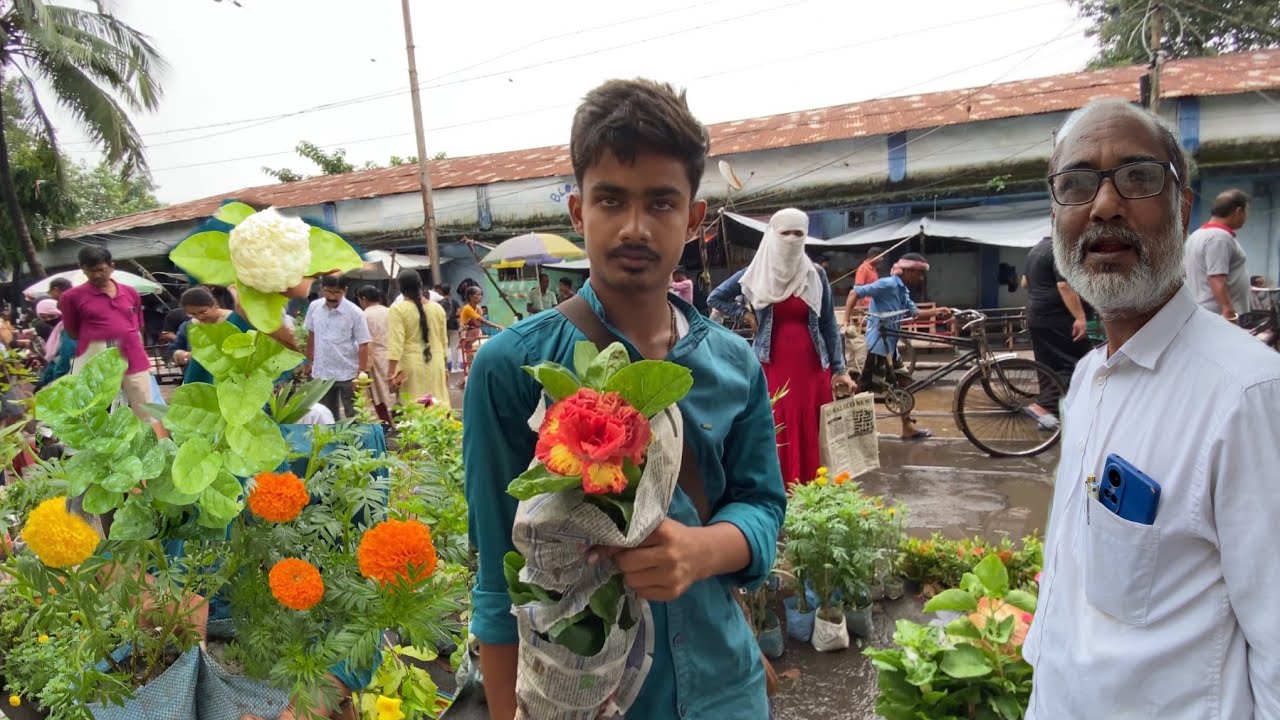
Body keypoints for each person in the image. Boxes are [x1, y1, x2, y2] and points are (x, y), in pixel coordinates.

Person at [464, 78, 786, 720]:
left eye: (661, 203)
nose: (635, 227)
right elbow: (499, 585)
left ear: (694, 219)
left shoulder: (731, 364)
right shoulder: (511, 369)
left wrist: (702, 551)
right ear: (579, 209)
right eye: (611, 200)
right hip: (587, 702)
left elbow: (762, 506)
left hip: (726, 690)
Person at [1023, 99, 1280, 720]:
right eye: (1076, 185)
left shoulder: (1248, 396)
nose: (1104, 205)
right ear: (1057, 214)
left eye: (1137, 178)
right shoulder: (1087, 380)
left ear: (1184, 207)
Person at [708, 207, 855, 487]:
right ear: (772, 234)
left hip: (812, 367)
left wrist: (840, 369)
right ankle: (774, 489)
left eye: (798, 233)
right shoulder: (755, 272)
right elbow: (716, 298)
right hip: (770, 363)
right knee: (774, 423)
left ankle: (814, 490)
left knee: (811, 426)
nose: (791, 239)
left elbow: (828, 326)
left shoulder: (815, 275)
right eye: (784, 232)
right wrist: (745, 315)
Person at [851, 252, 951, 440]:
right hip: (877, 345)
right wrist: (846, 320)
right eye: (917, 273)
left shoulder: (903, 290)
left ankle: (907, 428)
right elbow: (855, 292)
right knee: (862, 387)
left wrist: (937, 311)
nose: (920, 278)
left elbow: (914, 313)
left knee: (904, 384)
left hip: (891, 346)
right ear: (905, 271)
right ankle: (843, 424)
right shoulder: (888, 284)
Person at [57, 246, 154, 420]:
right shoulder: (71, 297)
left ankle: (151, 444)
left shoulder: (130, 292)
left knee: (146, 409)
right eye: (90, 271)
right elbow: (72, 332)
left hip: (134, 357)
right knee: (94, 411)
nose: (96, 275)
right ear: (83, 269)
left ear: (111, 267)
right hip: (94, 361)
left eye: (101, 270)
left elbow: (139, 325)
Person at [1023, 235, 1093, 418]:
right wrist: (1080, 317)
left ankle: (1048, 414)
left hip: (1037, 315)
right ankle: (1046, 407)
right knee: (1079, 360)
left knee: (1047, 365)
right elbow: (1064, 285)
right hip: (1058, 318)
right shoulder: (1060, 249)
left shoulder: (1035, 250)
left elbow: (1025, 283)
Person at [303, 274, 371, 420]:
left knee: (353, 417)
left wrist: (361, 374)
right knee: (325, 416)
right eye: (328, 291)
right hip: (322, 372)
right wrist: (308, 361)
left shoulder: (355, 313)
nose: (332, 296)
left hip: (348, 373)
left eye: (337, 293)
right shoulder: (314, 307)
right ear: (321, 289)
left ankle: (353, 443)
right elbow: (312, 335)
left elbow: (363, 344)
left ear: (345, 291)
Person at [1183, 188, 1251, 323]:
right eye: (1246, 211)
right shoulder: (1219, 238)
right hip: (1221, 315)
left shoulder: (1198, 234)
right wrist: (1228, 311)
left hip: (1206, 311)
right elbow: (1216, 278)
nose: (1246, 217)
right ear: (1238, 211)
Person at [386, 269, 450, 410]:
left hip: (411, 366)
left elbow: (395, 345)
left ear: (400, 287)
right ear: (420, 285)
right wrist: (445, 368)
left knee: (415, 408)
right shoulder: (438, 309)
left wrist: (390, 374)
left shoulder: (397, 310)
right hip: (437, 363)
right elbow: (444, 342)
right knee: (438, 406)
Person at [170, 287, 252, 385]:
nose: (199, 317)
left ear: (215, 304)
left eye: (203, 312)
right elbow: (174, 349)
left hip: (234, 380)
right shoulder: (189, 326)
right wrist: (184, 355)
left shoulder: (237, 320)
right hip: (199, 378)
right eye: (192, 314)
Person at [356, 285, 395, 426]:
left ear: (363, 299)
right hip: (393, 355)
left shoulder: (363, 315)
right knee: (395, 392)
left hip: (375, 357)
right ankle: (400, 423)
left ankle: (387, 424)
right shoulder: (390, 311)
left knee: (378, 395)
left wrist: (363, 367)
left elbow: (364, 341)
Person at [458, 285, 502, 384]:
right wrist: (497, 326)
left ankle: (475, 377)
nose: (480, 297)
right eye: (477, 295)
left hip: (477, 333)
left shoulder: (478, 308)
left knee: (478, 354)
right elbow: (481, 320)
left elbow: (479, 324)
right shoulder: (467, 308)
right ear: (470, 296)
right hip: (468, 335)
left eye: (481, 294)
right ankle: (470, 379)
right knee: (470, 357)